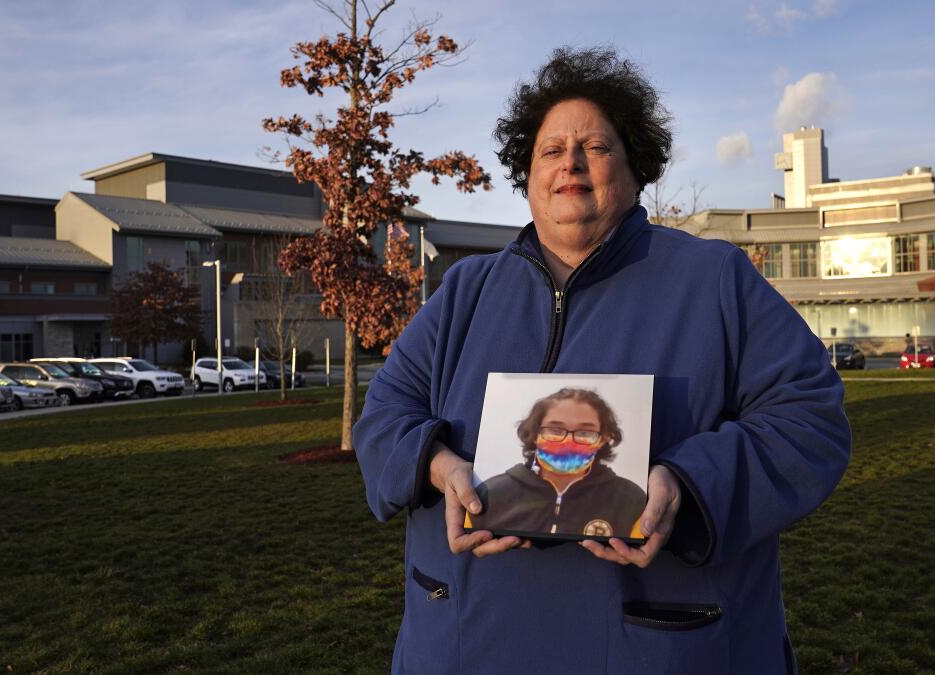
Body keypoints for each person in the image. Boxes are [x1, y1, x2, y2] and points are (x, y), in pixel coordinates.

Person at [354, 46, 851, 674]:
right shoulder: (466, 290)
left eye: (596, 146)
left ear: (635, 167)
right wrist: (435, 463)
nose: (571, 163)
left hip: (661, 647)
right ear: (527, 173)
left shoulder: (713, 280)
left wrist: (690, 483)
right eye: (551, 150)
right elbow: (383, 415)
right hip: (464, 643)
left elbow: (811, 421)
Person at [467, 387, 647, 540]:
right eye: (555, 429)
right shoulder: (489, 493)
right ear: (534, 434)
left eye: (585, 432)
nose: (568, 441)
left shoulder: (631, 500)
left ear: (603, 439)